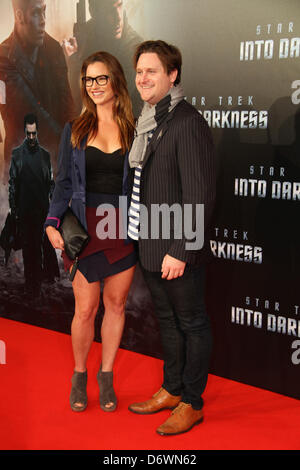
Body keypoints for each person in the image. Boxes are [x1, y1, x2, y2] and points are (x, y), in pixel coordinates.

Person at [127, 40, 216, 435]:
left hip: (177, 251)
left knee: (191, 323)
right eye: (139, 71)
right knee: (167, 320)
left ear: (172, 74)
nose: (143, 78)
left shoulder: (186, 122)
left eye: (152, 71)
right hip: (149, 246)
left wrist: (180, 249)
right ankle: (172, 388)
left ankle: (193, 402)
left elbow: (200, 195)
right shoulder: (149, 119)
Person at [45, 51, 137, 413]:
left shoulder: (136, 128)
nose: (95, 86)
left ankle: (107, 375)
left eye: (102, 78)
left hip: (122, 228)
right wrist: (53, 221)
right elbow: (64, 181)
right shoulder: (76, 128)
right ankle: (80, 375)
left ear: (116, 81)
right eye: (88, 79)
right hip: (85, 229)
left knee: (116, 305)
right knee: (86, 309)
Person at [0, 0, 75, 181]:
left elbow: (67, 107)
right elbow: (28, 112)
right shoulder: (3, 57)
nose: (43, 20)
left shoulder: (54, 48)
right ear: (19, 17)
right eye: (35, 13)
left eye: (44, 12)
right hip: (20, 167)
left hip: (55, 164)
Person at [8, 113, 58, 298]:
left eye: (34, 134)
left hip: (42, 210)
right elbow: (13, 184)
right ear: (24, 131)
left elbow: (50, 183)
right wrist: (14, 211)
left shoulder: (45, 155)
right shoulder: (17, 155)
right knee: (30, 250)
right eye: (28, 134)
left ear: (37, 132)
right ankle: (32, 287)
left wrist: (56, 207)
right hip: (25, 210)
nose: (31, 137)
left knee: (40, 248)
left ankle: (38, 284)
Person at [65, 0, 142, 116]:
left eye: (120, 6)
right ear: (94, 12)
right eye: (109, 10)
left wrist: (74, 63)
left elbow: (107, 99)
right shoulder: (89, 31)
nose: (118, 17)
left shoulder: (135, 48)